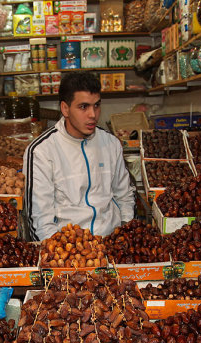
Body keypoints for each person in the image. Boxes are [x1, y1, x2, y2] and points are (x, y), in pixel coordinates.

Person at [23, 71, 135, 241]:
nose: (92, 114)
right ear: (65, 109)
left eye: (96, 105)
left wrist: (124, 234)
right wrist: (62, 256)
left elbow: (124, 195)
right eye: (83, 107)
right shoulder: (41, 151)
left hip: (110, 243)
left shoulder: (111, 144)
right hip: (67, 251)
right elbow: (39, 219)